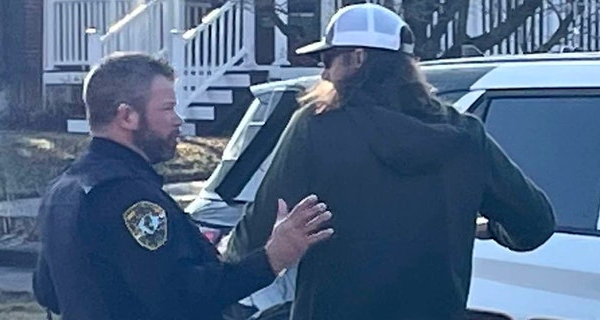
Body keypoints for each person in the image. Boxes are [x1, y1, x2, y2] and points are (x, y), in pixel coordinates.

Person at [224, 3, 555, 320]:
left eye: (328, 59)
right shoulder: (464, 134)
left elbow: (259, 228)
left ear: (357, 59)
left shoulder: (316, 127)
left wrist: (219, 276)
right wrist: (484, 228)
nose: (323, 73)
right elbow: (535, 225)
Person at [32, 52, 334, 320]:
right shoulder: (129, 198)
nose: (178, 119)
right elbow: (182, 296)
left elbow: (47, 290)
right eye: (167, 108)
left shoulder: (64, 188)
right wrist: (272, 258)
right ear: (127, 116)